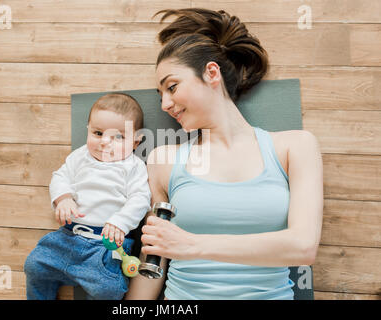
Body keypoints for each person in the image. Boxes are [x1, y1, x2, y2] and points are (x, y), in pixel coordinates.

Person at [125, 8, 323, 300]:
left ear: (211, 73)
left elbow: (303, 247)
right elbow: (153, 263)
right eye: (160, 94)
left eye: (172, 86)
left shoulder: (295, 147)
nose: (166, 103)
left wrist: (194, 245)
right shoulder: (163, 160)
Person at [24, 93, 151, 300]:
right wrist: (63, 198)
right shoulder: (79, 157)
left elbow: (140, 199)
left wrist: (120, 222)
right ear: (88, 130)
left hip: (106, 246)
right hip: (67, 237)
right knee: (35, 265)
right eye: (98, 133)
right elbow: (60, 177)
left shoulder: (134, 167)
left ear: (136, 142)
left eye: (118, 137)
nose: (105, 143)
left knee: (107, 289)